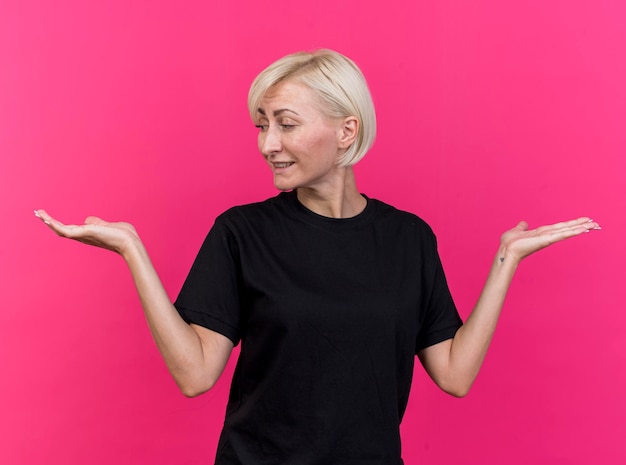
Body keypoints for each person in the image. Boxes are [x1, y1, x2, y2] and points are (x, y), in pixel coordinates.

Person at [35, 49, 600, 465]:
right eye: (261, 126)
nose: (267, 145)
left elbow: (453, 374)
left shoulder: (408, 239)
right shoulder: (242, 232)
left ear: (346, 130)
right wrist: (133, 250)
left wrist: (507, 261)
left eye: (286, 124)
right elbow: (194, 375)